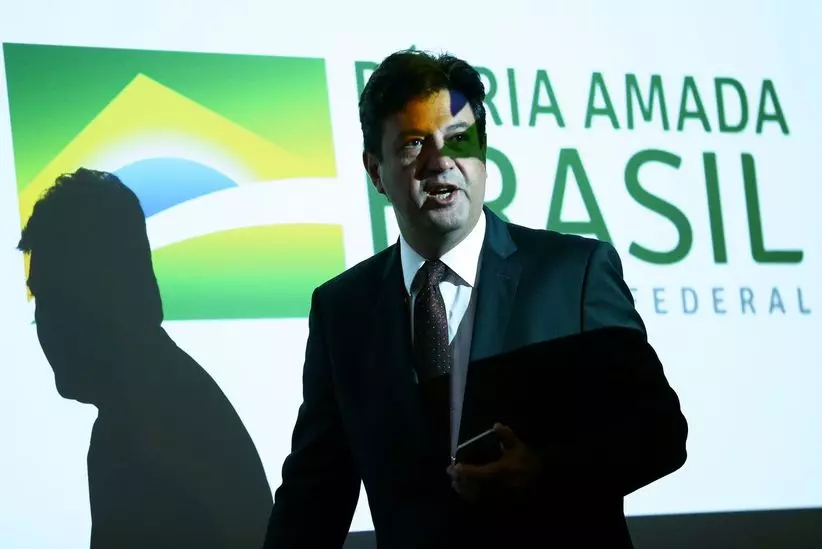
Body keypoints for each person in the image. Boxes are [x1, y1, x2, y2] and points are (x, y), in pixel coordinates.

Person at [265, 50, 687, 549]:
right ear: (375, 170)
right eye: (414, 143)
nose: (440, 161)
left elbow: (660, 433)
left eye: (459, 139)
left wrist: (544, 472)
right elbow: (314, 493)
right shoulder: (342, 310)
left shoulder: (574, 274)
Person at [19, 168, 273, 549]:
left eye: (56, 298)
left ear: (109, 293)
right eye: (41, 300)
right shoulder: (170, 398)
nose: (46, 323)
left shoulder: (135, 437)